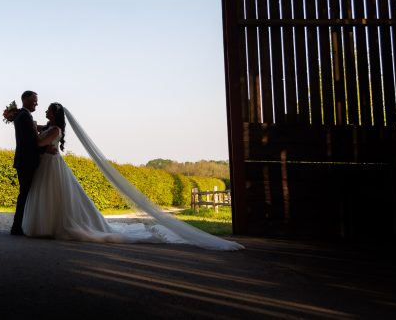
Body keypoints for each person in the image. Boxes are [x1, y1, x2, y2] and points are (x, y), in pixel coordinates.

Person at [21, 103, 244, 250]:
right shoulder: (51, 126)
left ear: (56, 114)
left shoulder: (54, 129)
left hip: (52, 165)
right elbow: (43, 140)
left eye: (49, 110)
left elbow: (39, 142)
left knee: (54, 196)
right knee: (50, 196)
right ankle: (47, 226)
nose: (46, 112)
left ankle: (52, 227)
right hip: (49, 165)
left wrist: (31, 128)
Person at [10, 90, 57, 236]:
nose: (36, 103)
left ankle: (20, 225)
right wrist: (45, 151)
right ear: (25, 100)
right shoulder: (24, 116)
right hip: (26, 161)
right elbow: (28, 141)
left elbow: (33, 135)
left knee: (25, 193)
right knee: (24, 193)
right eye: (34, 100)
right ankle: (17, 227)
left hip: (24, 160)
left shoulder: (23, 115)